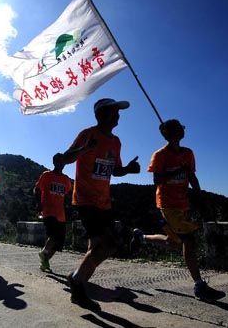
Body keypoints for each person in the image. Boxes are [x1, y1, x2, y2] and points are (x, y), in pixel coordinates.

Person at [130, 119, 225, 300]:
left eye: (182, 127)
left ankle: (141, 237)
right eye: (178, 128)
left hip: (183, 204)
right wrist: (178, 170)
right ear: (168, 133)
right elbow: (157, 180)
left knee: (173, 242)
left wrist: (200, 196)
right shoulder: (159, 156)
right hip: (167, 204)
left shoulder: (188, 153)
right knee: (189, 241)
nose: (182, 130)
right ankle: (199, 286)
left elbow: (192, 176)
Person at [61, 98, 140, 310]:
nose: (118, 115)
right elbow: (64, 159)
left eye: (118, 112)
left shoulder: (116, 141)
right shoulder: (88, 134)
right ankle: (77, 284)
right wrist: (85, 148)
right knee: (110, 244)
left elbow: (115, 170)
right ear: (102, 114)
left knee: (96, 246)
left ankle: (79, 279)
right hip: (86, 200)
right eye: (114, 112)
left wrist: (130, 169)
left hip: (104, 201)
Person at [34, 153, 72, 272]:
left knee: (58, 244)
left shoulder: (66, 179)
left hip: (61, 214)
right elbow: (37, 189)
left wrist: (70, 206)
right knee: (53, 235)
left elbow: (68, 194)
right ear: (54, 162)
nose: (61, 164)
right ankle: (43, 252)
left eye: (63, 162)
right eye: (59, 161)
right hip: (48, 211)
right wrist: (39, 204)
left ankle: (45, 261)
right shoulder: (47, 175)